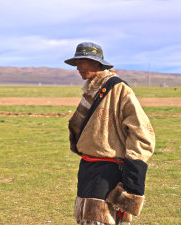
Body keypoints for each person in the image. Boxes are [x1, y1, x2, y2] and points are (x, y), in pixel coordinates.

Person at [65, 42, 155, 225]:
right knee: (87, 219)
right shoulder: (91, 90)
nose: (79, 67)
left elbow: (143, 134)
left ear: (98, 63)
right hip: (88, 169)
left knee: (102, 220)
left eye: (84, 61)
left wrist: (132, 178)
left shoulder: (119, 89)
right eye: (77, 62)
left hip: (109, 172)